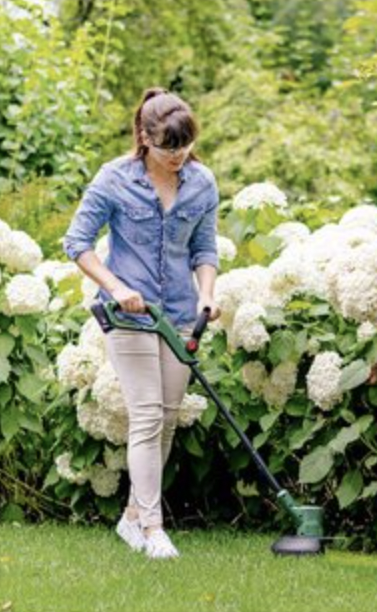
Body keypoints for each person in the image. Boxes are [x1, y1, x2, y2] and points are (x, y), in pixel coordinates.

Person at [63, 87, 221, 559]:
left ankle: (132, 517)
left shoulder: (202, 182)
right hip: (128, 314)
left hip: (177, 314)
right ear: (144, 137)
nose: (179, 156)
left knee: (168, 418)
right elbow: (78, 243)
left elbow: (205, 249)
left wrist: (208, 295)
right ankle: (153, 528)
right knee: (148, 413)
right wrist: (116, 288)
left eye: (185, 146)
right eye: (169, 147)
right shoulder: (114, 179)